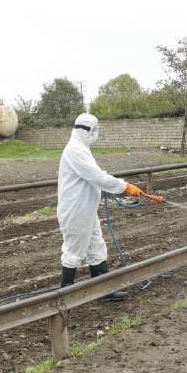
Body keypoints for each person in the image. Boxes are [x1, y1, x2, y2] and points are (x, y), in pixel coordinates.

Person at [57, 113, 145, 301]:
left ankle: (103, 291)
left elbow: (95, 175)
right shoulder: (75, 150)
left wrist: (118, 185)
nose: (96, 134)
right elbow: (96, 177)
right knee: (74, 250)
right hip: (76, 210)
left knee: (96, 247)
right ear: (85, 130)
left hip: (86, 209)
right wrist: (125, 187)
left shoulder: (81, 147)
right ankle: (66, 296)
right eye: (95, 130)